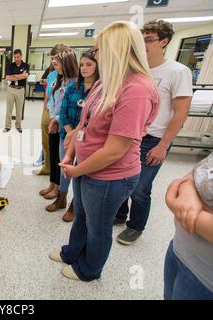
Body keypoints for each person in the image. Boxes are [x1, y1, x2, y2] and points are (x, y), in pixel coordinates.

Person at [49, 21, 159, 281]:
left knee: (97, 228)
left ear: (115, 50)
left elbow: (114, 150)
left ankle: (89, 269)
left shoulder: (136, 90)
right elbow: (84, 124)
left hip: (110, 176)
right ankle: (72, 252)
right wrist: (71, 150)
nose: (94, 55)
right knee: (82, 218)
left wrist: (76, 169)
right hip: (88, 166)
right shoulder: (105, 83)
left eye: (98, 50)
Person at [115, 20, 193, 245]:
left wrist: (163, 146)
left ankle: (135, 226)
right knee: (123, 179)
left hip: (155, 139)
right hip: (131, 136)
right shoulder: (137, 70)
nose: (144, 44)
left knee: (140, 188)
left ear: (164, 41)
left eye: (149, 40)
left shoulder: (178, 71)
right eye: (142, 40)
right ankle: (119, 216)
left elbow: (181, 112)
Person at [52, 48, 99, 221]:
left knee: (80, 172)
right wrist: (70, 133)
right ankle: (61, 198)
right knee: (65, 167)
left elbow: (94, 118)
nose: (84, 68)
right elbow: (63, 111)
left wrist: (77, 134)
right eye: (81, 65)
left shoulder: (99, 89)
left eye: (89, 64)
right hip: (67, 134)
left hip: (88, 140)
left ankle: (74, 205)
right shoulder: (73, 86)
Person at [164, 153, 213, 299]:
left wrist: (177, 205)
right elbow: (199, 173)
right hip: (180, 251)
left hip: (204, 279)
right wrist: (187, 190)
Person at [40, 49, 78, 206]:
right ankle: (53, 184)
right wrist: (52, 118)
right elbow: (54, 101)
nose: (54, 66)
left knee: (63, 160)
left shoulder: (75, 82)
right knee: (55, 154)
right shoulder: (60, 80)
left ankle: (60, 193)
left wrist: (56, 120)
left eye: (56, 63)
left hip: (67, 126)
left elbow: (68, 106)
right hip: (56, 122)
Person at [34, 45, 67, 176]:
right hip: (49, 112)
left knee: (60, 148)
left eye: (56, 58)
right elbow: (48, 95)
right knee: (47, 143)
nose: (53, 61)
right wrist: (44, 111)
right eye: (52, 58)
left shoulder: (70, 76)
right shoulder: (52, 75)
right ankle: (47, 167)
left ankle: (58, 177)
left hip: (63, 116)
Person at [4, 49, 29, 133]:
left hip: (20, 90)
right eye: (15, 57)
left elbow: (25, 76)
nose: (16, 59)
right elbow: (7, 78)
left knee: (19, 110)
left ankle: (18, 126)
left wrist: (14, 75)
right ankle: (7, 126)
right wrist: (20, 75)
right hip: (11, 89)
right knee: (9, 109)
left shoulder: (26, 65)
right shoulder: (10, 65)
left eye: (18, 57)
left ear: (21, 56)